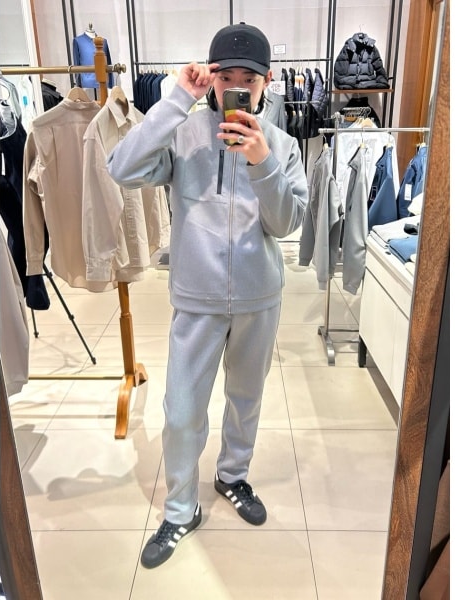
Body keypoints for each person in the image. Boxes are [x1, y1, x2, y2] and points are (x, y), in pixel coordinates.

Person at [106, 22, 308, 569]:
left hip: (259, 300)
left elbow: (287, 223)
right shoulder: (183, 132)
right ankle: (180, 508)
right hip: (195, 300)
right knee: (181, 411)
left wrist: (262, 162)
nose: (237, 86)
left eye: (249, 78)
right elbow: (121, 168)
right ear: (211, 78)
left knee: (246, 399)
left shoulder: (283, 145)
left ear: (267, 81)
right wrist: (178, 99)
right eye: (226, 76)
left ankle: (232, 476)